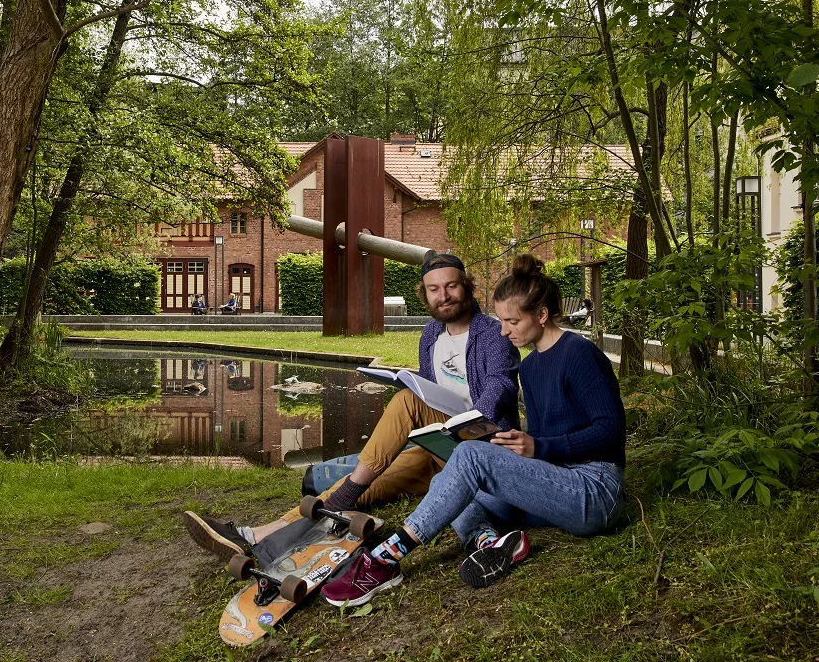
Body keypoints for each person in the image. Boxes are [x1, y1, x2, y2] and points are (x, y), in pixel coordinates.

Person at [320, 254, 625, 607]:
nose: (504, 331)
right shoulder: (531, 367)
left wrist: (539, 447)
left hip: (594, 490)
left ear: (541, 315)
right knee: (449, 485)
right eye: (502, 321)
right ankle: (489, 544)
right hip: (554, 485)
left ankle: (384, 560)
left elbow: (611, 430)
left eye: (512, 321)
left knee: (468, 457)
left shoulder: (580, 354)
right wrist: (526, 452)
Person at [183, 253, 521, 561]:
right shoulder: (431, 335)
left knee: (406, 403)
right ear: (425, 294)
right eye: (434, 289)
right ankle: (255, 535)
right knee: (357, 486)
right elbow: (434, 393)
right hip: (436, 450)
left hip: (480, 447)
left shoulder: (493, 334)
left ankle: (341, 497)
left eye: (451, 286)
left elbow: (500, 387)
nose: (443, 296)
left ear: (466, 286)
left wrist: (463, 421)